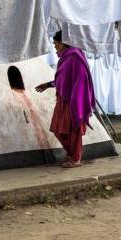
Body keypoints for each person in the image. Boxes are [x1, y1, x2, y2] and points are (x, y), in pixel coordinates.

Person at [36, 31, 95, 168]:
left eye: (55, 44)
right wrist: (49, 84)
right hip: (64, 98)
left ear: (62, 43)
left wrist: (77, 99)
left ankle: (75, 158)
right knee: (59, 129)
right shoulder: (67, 57)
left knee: (73, 130)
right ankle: (70, 154)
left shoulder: (74, 57)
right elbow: (64, 78)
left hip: (73, 100)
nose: (55, 47)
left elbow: (78, 80)